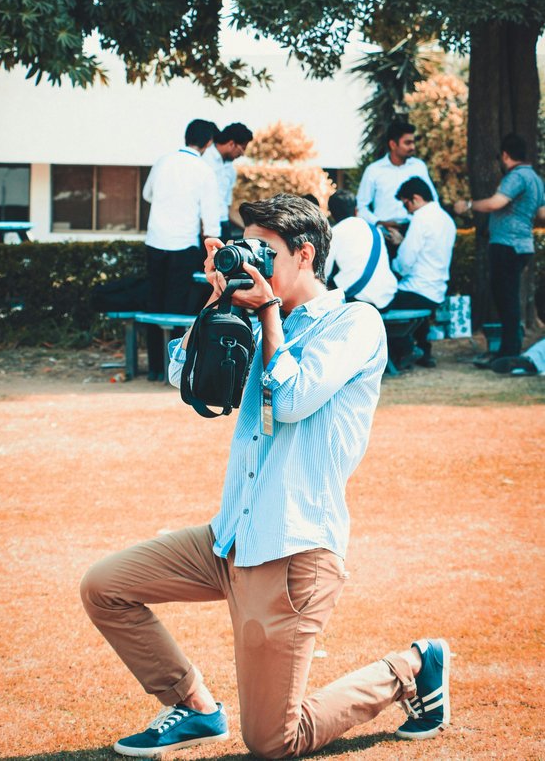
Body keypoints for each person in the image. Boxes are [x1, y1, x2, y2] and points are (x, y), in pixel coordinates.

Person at [81, 193, 452, 758]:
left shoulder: (354, 322)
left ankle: (412, 667)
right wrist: (216, 299)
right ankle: (195, 709)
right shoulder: (249, 315)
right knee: (105, 587)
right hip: (229, 535)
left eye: (264, 252)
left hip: (291, 553)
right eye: (244, 249)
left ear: (304, 254)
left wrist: (268, 313)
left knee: (274, 741)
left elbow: (296, 396)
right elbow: (186, 376)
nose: (252, 263)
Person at [454, 133, 545, 366]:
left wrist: (468, 206)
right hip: (524, 244)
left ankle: (508, 352)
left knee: (506, 299)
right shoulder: (534, 178)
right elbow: (542, 214)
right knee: (510, 297)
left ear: (505, 155)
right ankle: (509, 348)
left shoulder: (516, 176)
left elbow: (496, 203)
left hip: (507, 244)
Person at [142, 119, 220, 381]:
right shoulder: (204, 170)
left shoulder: (163, 161)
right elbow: (211, 219)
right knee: (177, 305)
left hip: (155, 240)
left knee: (154, 302)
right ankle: (173, 367)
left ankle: (153, 367)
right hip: (184, 243)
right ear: (208, 143)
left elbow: (147, 195)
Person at [388, 177, 456, 368]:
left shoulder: (421, 219)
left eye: (405, 203)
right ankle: (424, 351)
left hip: (418, 288)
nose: (406, 209)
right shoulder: (446, 220)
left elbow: (405, 262)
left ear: (416, 198)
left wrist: (397, 253)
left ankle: (405, 350)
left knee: (381, 300)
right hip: (437, 289)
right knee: (410, 298)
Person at [356, 121, 439, 257]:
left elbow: (433, 200)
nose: (412, 147)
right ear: (393, 144)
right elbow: (361, 207)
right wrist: (379, 222)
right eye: (407, 143)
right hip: (384, 233)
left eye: (413, 142)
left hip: (414, 231)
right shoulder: (374, 171)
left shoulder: (419, 167)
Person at [324, 190, 397, 310]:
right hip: (388, 297)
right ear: (356, 210)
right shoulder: (375, 230)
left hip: (359, 299)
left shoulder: (335, 233)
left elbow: (324, 271)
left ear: (331, 214)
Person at [202, 122, 253, 242]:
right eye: (243, 148)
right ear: (231, 144)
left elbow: (227, 206)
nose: (243, 154)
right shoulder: (204, 158)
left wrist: (250, 229)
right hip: (204, 228)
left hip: (223, 225)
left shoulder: (231, 170)